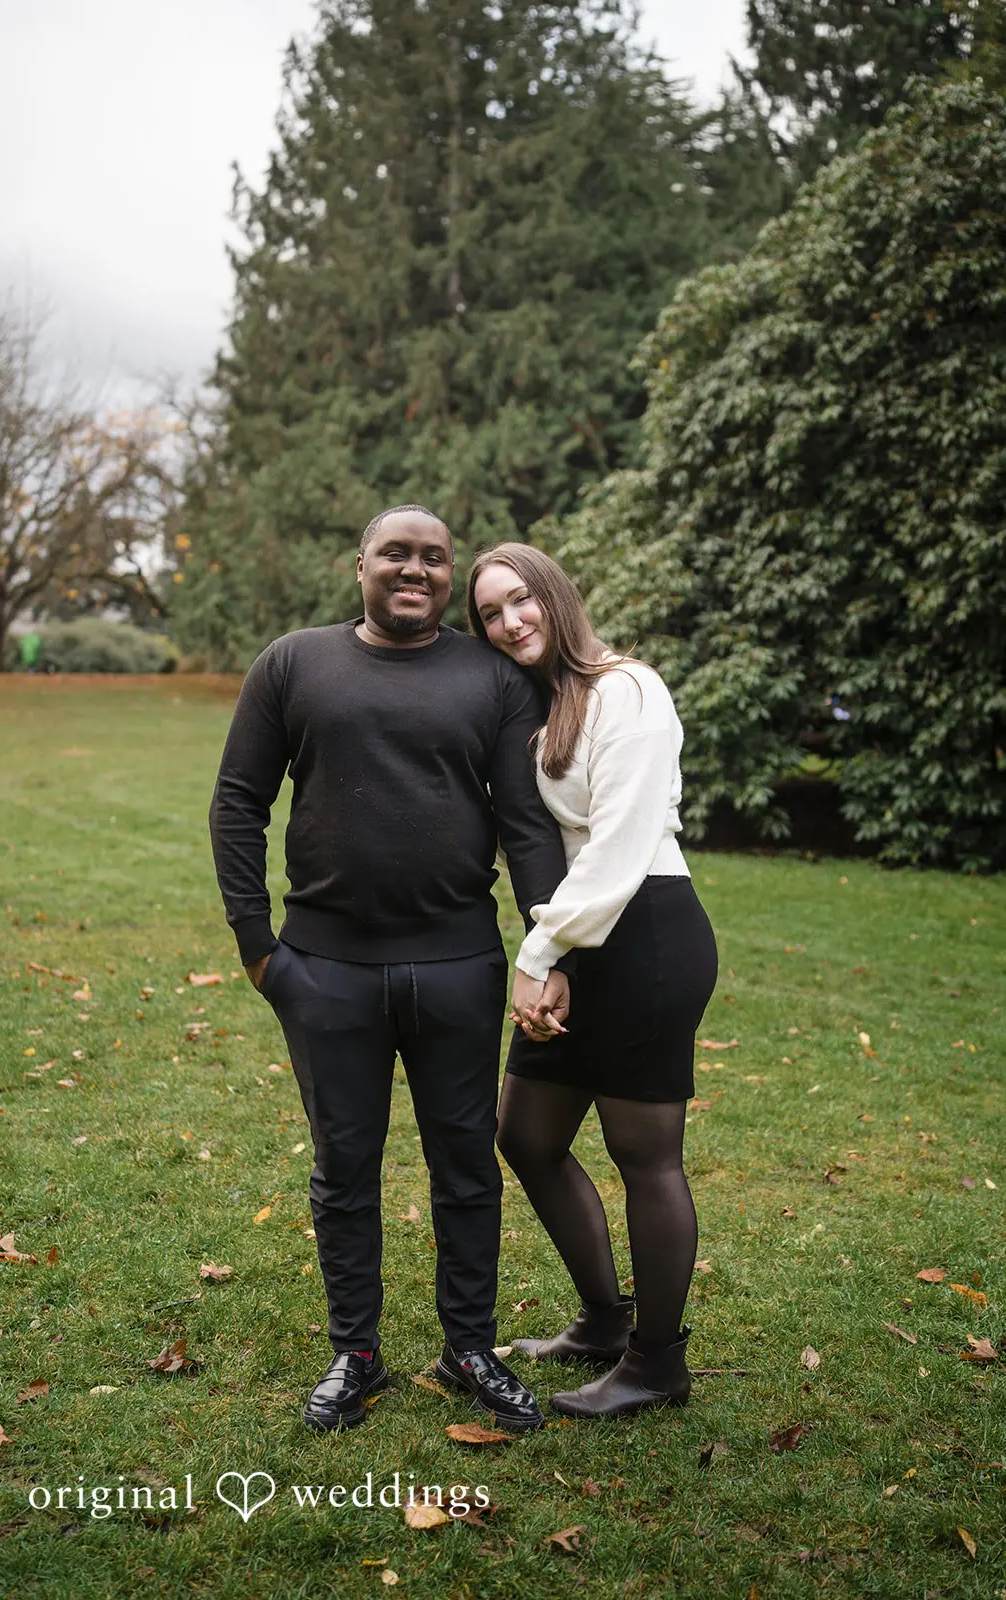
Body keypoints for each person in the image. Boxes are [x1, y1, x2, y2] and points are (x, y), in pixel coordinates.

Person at [208, 506, 572, 1434]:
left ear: (449, 575)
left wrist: (546, 947)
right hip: (324, 969)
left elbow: (527, 826)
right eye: (397, 554)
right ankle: (356, 1355)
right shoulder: (293, 663)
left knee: (465, 1166)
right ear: (359, 565)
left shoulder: (491, 676)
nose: (417, 570)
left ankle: (469, 1348)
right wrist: (260, 951)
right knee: (344, 1168)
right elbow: (237, 803)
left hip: (457, 965)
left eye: (435, 558)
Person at [467, 543, 718, 1419]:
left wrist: (538, 957)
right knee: (526, 1135)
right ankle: (606, 1321)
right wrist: (561, 953)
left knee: (644, 1155)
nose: (508, 623)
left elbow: (614, 846)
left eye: (519, 601)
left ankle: (656, 1364)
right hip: (585, 933)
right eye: (490, 614)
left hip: (646, 929)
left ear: (554, 595)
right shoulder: (552, 705)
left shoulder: (627, 689)